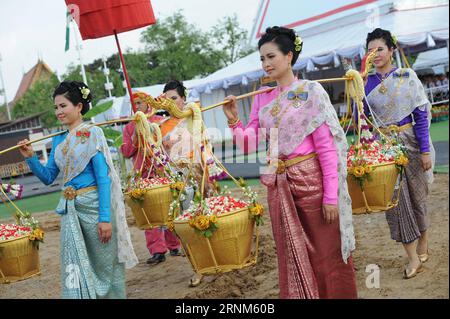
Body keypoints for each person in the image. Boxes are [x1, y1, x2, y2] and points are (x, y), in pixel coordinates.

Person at [221, 26, 357, 299]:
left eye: (271, 56)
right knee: (291, 254)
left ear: (289, 57)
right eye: (262, 59)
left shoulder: (310, 92)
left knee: (325, 252)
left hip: (312, 186)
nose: (266, 64)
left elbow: (327, 150)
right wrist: (234, 119)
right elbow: (250, 143)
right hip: (278, 187)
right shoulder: (262, 96)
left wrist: (331, 197)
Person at [18, 81, 138, 299]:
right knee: (75, 264)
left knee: (103, 263)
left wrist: (104, 218)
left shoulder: (93, 133)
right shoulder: (57, 139)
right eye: (56, 107)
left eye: (63, 106)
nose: (58, 112)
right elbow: (48, 178)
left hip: (94, 209)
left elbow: (103, 179)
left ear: (79, 106)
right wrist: (31, 159)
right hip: (70, 212)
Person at [363, 28, 435, 279]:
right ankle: (413, 257)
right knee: (394, 202)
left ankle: (423, 240)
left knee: (417, 196)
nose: (375, 54)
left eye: (380, 48)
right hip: (383, 150)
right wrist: (356, 88)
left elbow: (421, 115)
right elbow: (362, 120)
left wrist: (425, 151)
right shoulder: (365, 83)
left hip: (410, 142)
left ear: (391, 50)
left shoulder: (406, 75)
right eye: (370, 50)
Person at [158, 80, 222, 287]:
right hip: (179, 182)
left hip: (200, 176)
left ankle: (218, 260)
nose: (171, 104)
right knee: (188, 227)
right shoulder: (161, 127)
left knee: (209, 222)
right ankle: (198, 268)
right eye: (166, 100)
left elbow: (205, 147)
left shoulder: (195, 118)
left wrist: (206, 179)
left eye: (174, 98)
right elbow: (162, 157)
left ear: (183, 98)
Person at [120, 92, 182, 265]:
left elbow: (170, 143)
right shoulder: (129, 128)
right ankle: (157, 250)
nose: (136, 107)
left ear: (148, 104)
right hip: (142, 174)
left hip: (162, 170)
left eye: (139, 103)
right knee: (148, 213)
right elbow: (126, 152)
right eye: (134, 104)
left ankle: (174, 245)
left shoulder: (159, 121)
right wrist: (135, 137)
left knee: (170, 208)